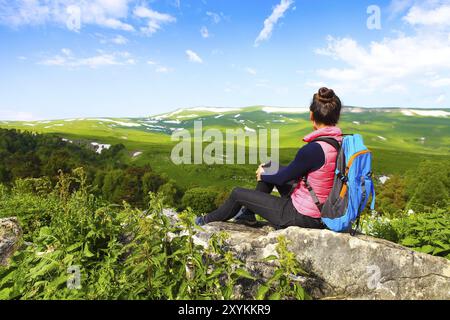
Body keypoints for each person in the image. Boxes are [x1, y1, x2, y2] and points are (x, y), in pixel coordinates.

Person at [195, 87, 343, 229]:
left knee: (237, 193)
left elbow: (282, 179)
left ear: (312, 115)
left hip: (303, 216)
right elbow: (294, 172)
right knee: (270, 166)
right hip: (321, 208)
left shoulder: (313, 149)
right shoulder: (336, 142)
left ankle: (203, 221)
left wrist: (263, 174)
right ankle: (247, 214)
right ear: (336, 117)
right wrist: (268, 169)